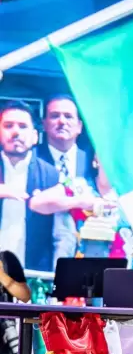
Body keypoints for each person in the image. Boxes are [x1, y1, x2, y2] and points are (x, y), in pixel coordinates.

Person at [0, 101, 90, 272]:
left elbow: (61, 235)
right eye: (8, 126)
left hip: (33, 274)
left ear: (35, 136)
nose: (15, 132)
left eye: (22, 126)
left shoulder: (51, 175)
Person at [35, 95, 94, 185]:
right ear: (44, 124)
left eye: (68, 116)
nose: (62, 121)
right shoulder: (32, 158)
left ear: (79, 126)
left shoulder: (91, 161)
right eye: (55, 116)